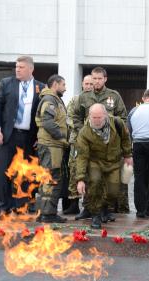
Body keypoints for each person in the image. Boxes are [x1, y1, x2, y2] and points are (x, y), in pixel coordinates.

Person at [0, 55, 45, 220]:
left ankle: (20, 207)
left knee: (24, 173)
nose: (17, 69)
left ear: (31, 69)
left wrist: (40, 135)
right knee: (4, 172)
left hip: (28, 137)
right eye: (16, 67)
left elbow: (42, 113)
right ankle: (3, 209)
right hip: (8, 135)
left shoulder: (41, 87)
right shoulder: (7, 83)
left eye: (21, 67)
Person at [72, 67, 128, 220]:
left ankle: (104, 209)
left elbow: (123, 118)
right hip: (89, 142)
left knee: (108, 182)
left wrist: (115, 134)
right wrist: (82, 130)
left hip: (109, 144)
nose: (96, 81)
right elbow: (75, 116)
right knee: (92, 178)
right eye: (94, 78)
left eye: (99, 78)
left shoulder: (113, 96)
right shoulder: (83, 97)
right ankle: (88, 208)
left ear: (105, 79)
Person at [75, 104, 132, 229]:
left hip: (113, 162)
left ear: (105, 116)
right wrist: (80, 179)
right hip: (95, 162)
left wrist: (128, 155)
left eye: (99, 117)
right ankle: (96, 215)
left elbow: (125, 139)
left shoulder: (117, 123)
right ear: (89, 116)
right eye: (93, 117)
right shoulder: (84, 132)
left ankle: (104, 207)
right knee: (94, 183)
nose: (96, 120)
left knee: (113, 191)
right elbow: (82, 156)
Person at [34, 74, 68, 223]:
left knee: (48, 178)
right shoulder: (49, 100)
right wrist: (62, 136)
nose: (65, 88)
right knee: (51, 179)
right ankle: (47, 214)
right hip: (51, 145)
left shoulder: (54, 99)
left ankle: (44, 212)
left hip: (52, 145)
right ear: (55, 84)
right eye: (63, 85)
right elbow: (48, 122)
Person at [127, 89, 149, 218]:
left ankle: (140, 210)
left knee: (139, 177)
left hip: (138, 144)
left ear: (143, 98)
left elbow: (128, 129)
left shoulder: (134, 110)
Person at [63, 75, 94, 215]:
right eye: (86, 83)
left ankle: (89, 204)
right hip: (77, 140)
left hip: (94, 141)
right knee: (74, 170)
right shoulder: (76, 100)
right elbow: (69, 117)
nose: (88, 86)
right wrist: (81, 129)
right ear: (82, 84)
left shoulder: (97, 100)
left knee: (91, 172)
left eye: (90, 84)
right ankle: (73, 203)